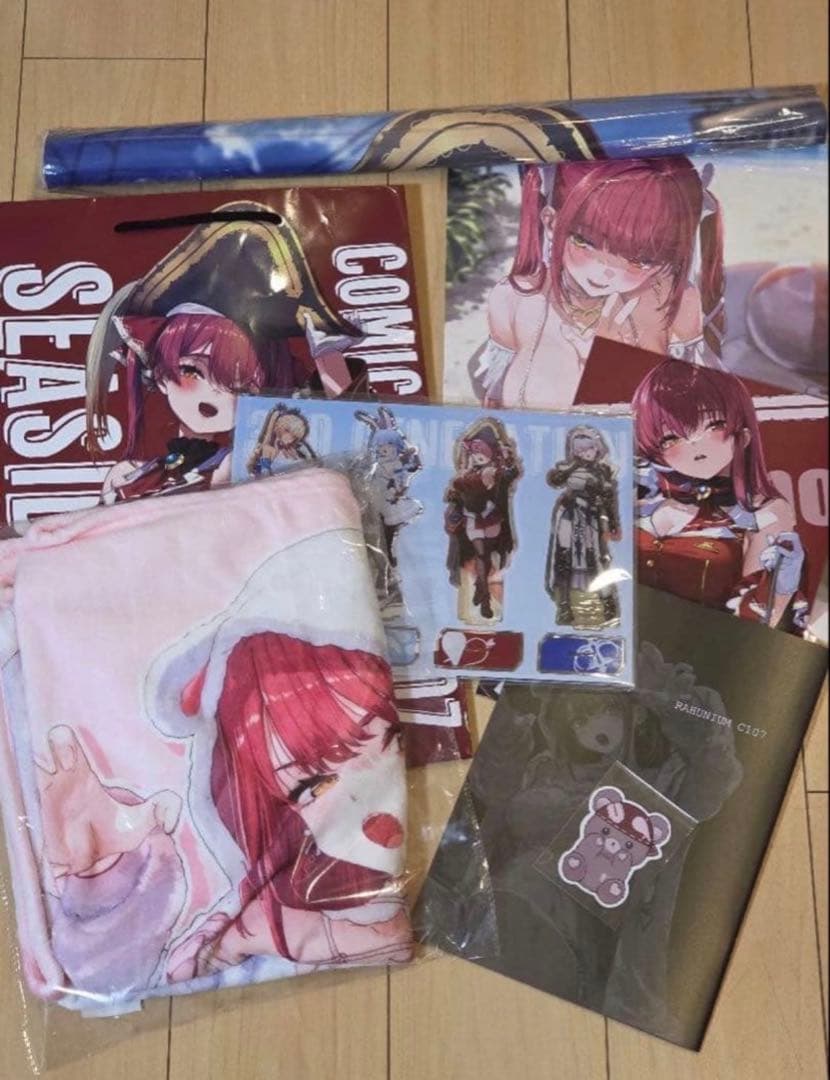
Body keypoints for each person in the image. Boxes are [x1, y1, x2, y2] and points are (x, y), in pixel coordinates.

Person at [471, 158, 724, 408]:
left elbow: (696, 410)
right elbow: (491, 404)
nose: (607, 272)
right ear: (551, 222)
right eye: (585, 242)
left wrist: (617, 357)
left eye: (642, 260)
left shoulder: (670, 300)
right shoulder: (515, 297)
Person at [633, 358, 807, 631]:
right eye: (671, 438)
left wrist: (780, 586)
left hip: (702, 647)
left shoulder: (767, 513)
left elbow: (755, 625)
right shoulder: (641, 500)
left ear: (743, 435)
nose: (695, 444)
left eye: (714, 425)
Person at [444, 419, 521, 621]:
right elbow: (457, 495)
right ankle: (485, 597)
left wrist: (509, 460)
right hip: (471, 521)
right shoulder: (465, 475)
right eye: (474, 454)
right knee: (480, 554)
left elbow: (511, 475)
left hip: (492, 520)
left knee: (486, 557)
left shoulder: (496, 473)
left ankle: (481, 586)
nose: (478, 457)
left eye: (482, 454)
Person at [545, 425, 621, 628]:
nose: (586, 453)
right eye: (581, 450)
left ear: (597, 448)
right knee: (564, 560)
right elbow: (554, 479)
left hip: (591, 520)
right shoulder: (570, 468)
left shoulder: (603, 470)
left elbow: (608, 498)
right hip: (569, 517)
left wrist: (613, 523)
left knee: (595, 559)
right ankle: (564, 607)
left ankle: (608, 606)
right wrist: (570, 469)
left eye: (590, 448)